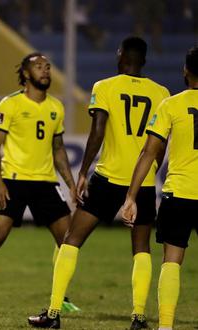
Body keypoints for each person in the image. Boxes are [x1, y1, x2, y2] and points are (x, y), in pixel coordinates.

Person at [28, 36, 170, 329]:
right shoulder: (162, 93)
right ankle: (138, 318)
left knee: (72, 240)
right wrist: (151, 168)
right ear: (144, 60)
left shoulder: (104, 87)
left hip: (107, 177)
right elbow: (160, 143)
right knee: (141, 248)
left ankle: (54, 314)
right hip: (140, 183)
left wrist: (82, 174)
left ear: (120, 55)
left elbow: (98, 132)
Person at [0, 53, 79, 314]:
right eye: (39, 67)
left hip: (45, 182)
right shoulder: (9, 105)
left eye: (48, 67)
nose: (45, 71)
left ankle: (60, 296)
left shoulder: (56, 107)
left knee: (68, 240)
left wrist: (71, 184)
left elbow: (58, 149)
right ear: (26, 73)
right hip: (14, 180)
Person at [122, 46, 198, 330]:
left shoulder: (171, 105)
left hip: (179, 193)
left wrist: (131, 196)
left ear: (185, 71)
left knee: (172, 261)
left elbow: (149, 153)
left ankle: (165, 327)